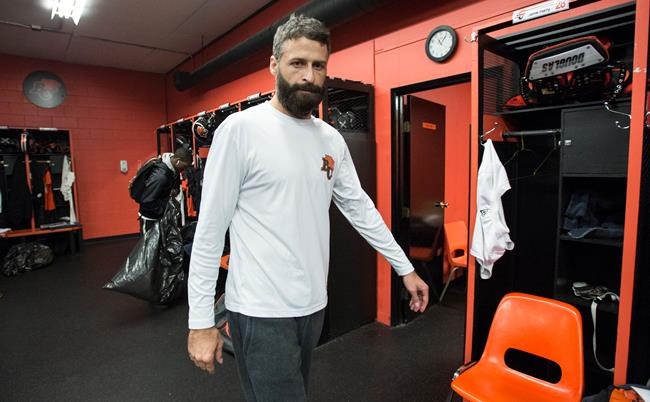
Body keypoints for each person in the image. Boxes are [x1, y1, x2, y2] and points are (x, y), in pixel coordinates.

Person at [187, 14, 429, 401]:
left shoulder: (330, 139)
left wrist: (404, 267)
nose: (308, 76)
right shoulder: (240, 130)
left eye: (318, 65)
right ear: (273, 65)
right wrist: (200, 320)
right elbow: (210, 230)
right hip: (260, 310)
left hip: (312, 306)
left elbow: (360, 209)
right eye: (297, 63)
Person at [138, 147, 192, 233]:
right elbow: (147, 202)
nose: (184, 170)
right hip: (150, 219)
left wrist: (174, 192)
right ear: (178, 161)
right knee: (151, 242)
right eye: (184, 166)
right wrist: (167, 207)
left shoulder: (174, 169)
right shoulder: (160, 177)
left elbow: (175, 187)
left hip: (162, 216)